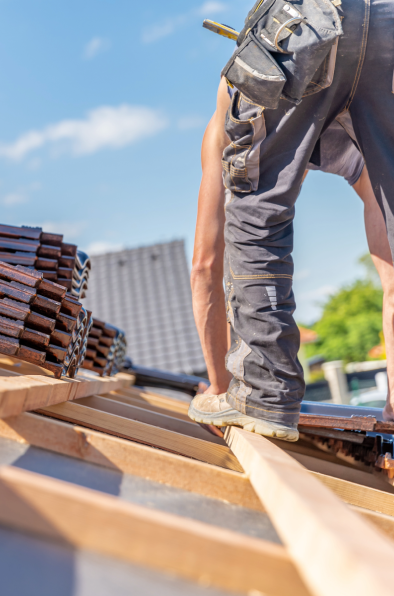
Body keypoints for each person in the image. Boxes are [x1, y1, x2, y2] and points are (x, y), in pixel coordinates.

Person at [187, 0, 394, 440]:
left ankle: (263, 391)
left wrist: (221, 390)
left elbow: (207, 261)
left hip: (310, 18)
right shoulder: (359, 136)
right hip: (386, 23)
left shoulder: (229, 100)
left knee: (253, 202)